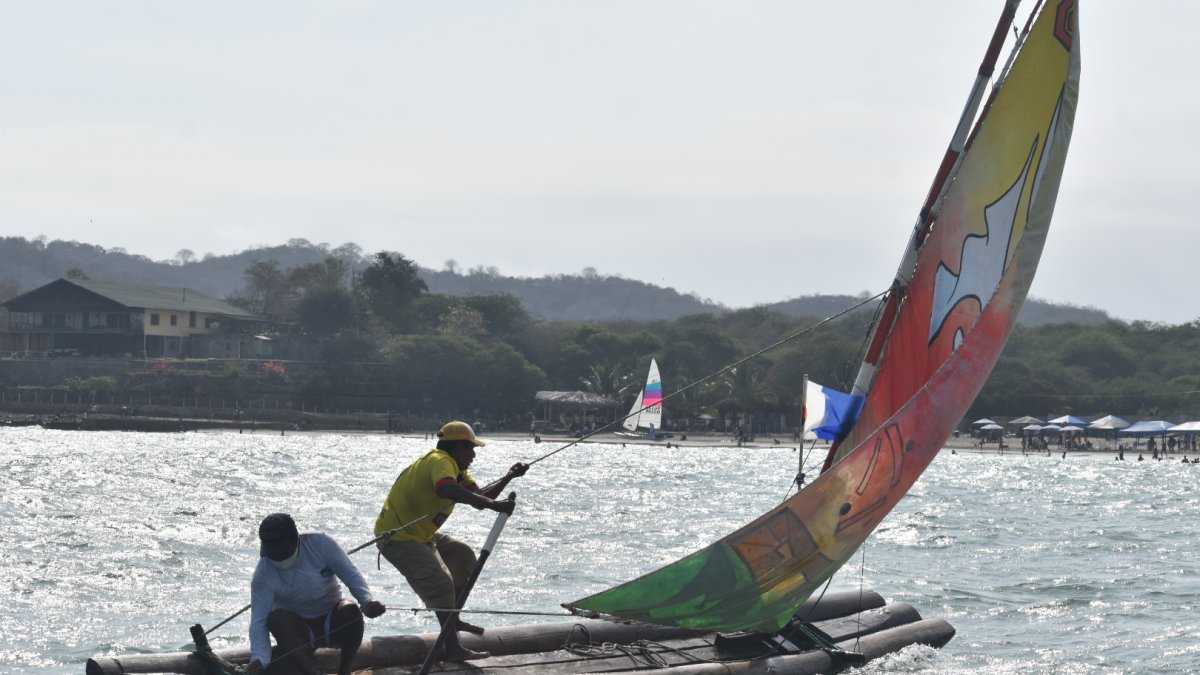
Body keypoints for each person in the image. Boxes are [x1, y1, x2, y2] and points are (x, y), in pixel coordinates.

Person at [374, 421, 527, 661]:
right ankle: (453, 648)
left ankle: (452, 621)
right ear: (458, 449)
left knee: (463, 555)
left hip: (422, 534)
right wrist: (494, 506)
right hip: (399, 537)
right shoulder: (440, 461)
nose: (474, 455)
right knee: (440, 582)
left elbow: (480, 497)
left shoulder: (457, 468)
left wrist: (509, 476)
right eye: (471, 449)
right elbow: (447, 490)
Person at [247, 513, 386, 675]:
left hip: (331, 619)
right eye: (272, 553)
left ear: (296, 540)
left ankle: (345, 669)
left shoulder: (319, 543)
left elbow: (351, 574)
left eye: (281, 551)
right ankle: (310, 671)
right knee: (276, 618)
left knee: (351, 610)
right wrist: (259, 659)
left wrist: (366, 601)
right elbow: (258, 620)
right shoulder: (263, 574)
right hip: (297, 631)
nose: (277, 557)